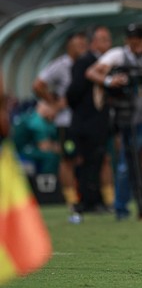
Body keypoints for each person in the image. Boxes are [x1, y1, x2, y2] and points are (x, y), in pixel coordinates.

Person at [86, 24, 142, 220]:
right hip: (130, 120)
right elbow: (92, 72)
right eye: (131, 39)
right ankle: (122, 209)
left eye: (138, 39)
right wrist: (110, 81)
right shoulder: (118, 55)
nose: (134, 43)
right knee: (125, 167)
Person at [32, 32, 88, 211]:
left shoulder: (87, 64)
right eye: (78, 44)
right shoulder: (60, 65)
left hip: (86, 120)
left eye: (83, 44)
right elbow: (38, 85)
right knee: (68, 160)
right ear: (69, 45)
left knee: (89, 159)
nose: (82, 47)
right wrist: (53, 103)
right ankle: (71, 201)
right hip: (66, 121)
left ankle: (90, 198)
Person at [66, 26, 113, 216]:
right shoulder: (86, 61)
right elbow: (73, 92)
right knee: (88, 161)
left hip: (97, 121)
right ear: (93, 42)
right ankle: (88, 201)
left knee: (98, 159)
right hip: (87, 122)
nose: (107, 44)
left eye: (108, 40)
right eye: (103, 39)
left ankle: (95, 199)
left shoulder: (103, 62)